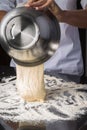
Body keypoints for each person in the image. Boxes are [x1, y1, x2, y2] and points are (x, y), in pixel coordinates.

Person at [0, 0, 87, 84]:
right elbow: (2, 9)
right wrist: (20, 18)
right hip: (22, 66)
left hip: (64, 66)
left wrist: (63, 15)